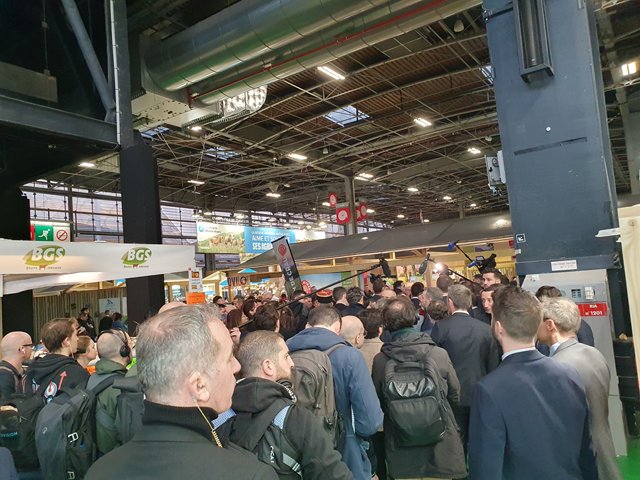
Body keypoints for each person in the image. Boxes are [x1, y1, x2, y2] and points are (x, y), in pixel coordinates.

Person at [86, 304, 277, 480]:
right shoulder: (249, 475)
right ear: (199, 386)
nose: (237, 366)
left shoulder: (99, 472)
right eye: (228, 358)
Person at [468, 286, 597, 480]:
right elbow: (586, 450)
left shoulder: (488, 390)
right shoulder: (569, 374)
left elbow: (486, 468)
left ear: (499, 327)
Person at [221, 330, 353, 480]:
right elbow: (334, 474)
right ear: (268, 366)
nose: (292, 363)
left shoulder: (220, 413)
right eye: (285, 356)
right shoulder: (297, 419)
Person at [372, 297, 466, 480]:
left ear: (386, 324)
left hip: (401, 443)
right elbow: (455, 395)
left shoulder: (381, 361)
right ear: (414, 318)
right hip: (441, 443)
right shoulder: (438, 354)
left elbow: (379, 401)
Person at [287, 307, 383, 480]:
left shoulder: (286, 353)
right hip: (345, 451)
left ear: (308, 325)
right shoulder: (350, 356)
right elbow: (370, 422)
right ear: (338, 327)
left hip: (297, 449)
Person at [538, 297, 622, 480]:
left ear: (550, 325)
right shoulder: (594, 354)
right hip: (604, 452)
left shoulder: (555, 366)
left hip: (579, 460)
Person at [430, 284, 499, 454]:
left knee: (456, 441)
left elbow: (434, 362)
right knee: (479, 440)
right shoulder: (485, 329)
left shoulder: (441, 327)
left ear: (450, 302)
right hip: (480, 392)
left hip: (451, 394)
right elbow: (493, 365)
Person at [25, 318, 89, 402]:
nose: (77, 339)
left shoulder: (31, 368)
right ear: (66, 341)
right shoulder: (76, 372)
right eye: (75, 335)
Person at [91, 330, 132, 456]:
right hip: (115, 457)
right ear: (124, 350)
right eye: (130, 344)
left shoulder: (91, 378)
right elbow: (128, 434)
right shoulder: (124, 387)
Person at [0, 331, 32, 399]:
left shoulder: (13, 373)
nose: (32, 349)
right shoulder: (4, 376)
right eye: (30, 346)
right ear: (22, 349)